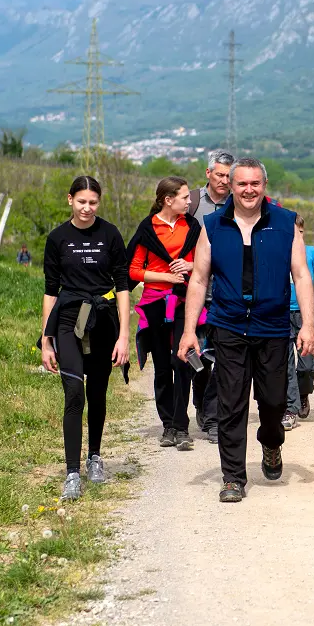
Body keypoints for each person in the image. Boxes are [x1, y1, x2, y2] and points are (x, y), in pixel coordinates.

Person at [178, 158, 314, 503]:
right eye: (242, 184)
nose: (248, 190)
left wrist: (310, 324)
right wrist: (189, 331)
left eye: (255, 183)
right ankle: (232, 478)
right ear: (231, 186)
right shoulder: (212, 225)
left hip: (272, 327)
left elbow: (302, 275)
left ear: (264, 186)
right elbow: (198, 277)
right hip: (228, 326)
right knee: (231, 404)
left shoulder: (286, 224)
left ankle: (271, 443)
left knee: (273, 403)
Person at [41, 176, 131, 501]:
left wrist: (124, 334)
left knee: (97, 391)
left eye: (93, 202)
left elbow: (123, 285)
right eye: (81, 201)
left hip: (103, 319)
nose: (87, 208)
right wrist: (46, 339)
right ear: (70, 200)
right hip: (67, 321)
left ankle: (95, 456)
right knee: (74, 392)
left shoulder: (110, 234)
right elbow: (51, 291)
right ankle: (72, 473)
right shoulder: (57, 238)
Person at [128, 176, 205, 452]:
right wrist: (165, 276)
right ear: (167, 200)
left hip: (186, 302)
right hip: (154, 302)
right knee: (161, 366)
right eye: (185, 197)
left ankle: (182, 426)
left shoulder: (193, 227)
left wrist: (189, 264)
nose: (189, 201)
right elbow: (134, 270)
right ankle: (168, 426)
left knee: (182, 362)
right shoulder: (148, 228)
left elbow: (204, 264)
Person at [185, 149, 235, 443]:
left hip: (225, 292)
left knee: (223, 356)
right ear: (208, 174)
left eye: (229, 176)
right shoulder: (190, 202)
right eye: (219, 175)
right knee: (198, 358)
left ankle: (214, 415)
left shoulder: (239, 203)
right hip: (194, 291)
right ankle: (201, 404)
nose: (224, 181)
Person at [283, 214, 314, 429]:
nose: (297, 237)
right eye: (293, 233)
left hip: (304, 315)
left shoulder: (311, 253)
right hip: (282, 313)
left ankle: (303, 393)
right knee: (286, 365)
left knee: (307, 366)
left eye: (300, 232)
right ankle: (290, 407)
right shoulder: (280, 252)